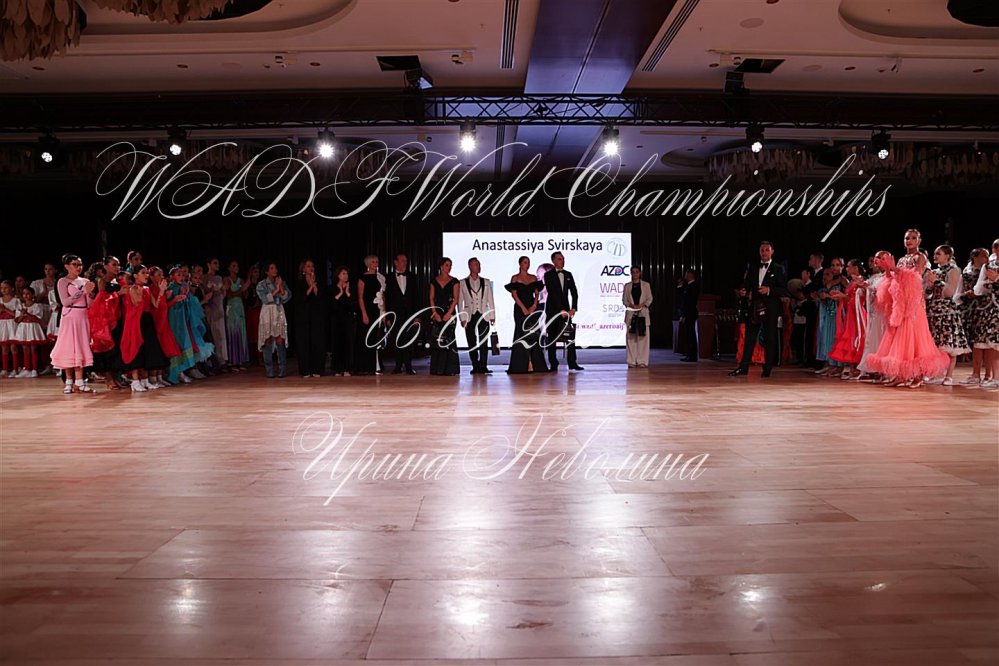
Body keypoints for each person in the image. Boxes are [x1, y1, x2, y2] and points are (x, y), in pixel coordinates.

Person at [865, 229, 949, 388]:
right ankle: (902, 374)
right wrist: (888, 269)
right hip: (900, 303)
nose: (909, 240)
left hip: (914, 303)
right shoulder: (902, 259)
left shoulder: (920, 257)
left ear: (919, 240)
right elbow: (894, 279)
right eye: (907, 238)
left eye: (913, 238)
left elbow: (915, 277)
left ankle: (918, 376)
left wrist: (894, 269)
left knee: (915, 337)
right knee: (899, 338)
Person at [730, 241, 787, 378]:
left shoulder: (778, 268)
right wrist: (743, 291)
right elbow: (747, 284)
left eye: (767, 250)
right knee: (750, 337)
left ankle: (767, 368)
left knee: (770, 337)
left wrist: (769, 290)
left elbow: (783, 289)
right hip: (755, 306)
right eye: (762, 250)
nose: (764, 252)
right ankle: (743, 367)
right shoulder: (753, 267)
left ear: (772, 251)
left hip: (771, 307)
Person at [924, 245, 970, 386]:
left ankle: (949, 376)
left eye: (938, 253)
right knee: (936, 344)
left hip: (947, 311)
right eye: (935, 253)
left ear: (948, 255)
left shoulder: (954, 270)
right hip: (934, 311)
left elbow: (950, 292)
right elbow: (927, 294)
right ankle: (936, 373)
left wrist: (936, 281)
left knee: (949, 344)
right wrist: (930, 286)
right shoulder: (934, 271)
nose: (935, 256)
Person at [49, 254, 96, 393]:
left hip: (83, 316)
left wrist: (90, 294)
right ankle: (69, 382)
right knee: (69, 347)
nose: (78, 267)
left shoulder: (85, 281)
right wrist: (82, 291)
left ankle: (80, 381)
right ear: (67, 266)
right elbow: (65, 302)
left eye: (80, 264)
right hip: (69, 316)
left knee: (81, 347)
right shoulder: (63, 281)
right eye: (75, 264)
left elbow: (89, 304)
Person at [119, 265, 168, 392]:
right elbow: (136, 303)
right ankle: (135, 381)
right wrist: (139, 293)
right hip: (136, 321)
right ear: (135, 275)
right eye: (143, 273)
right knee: (137, 349)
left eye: (147, 273)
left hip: (147, 320)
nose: (146, 275)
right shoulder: (131, 289)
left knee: (147, 350)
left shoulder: (147, 289)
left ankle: (145, 380)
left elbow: (155, 305)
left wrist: (161, 291)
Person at [505, 256, 548, 374]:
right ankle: (521, 365)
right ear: (520, 264)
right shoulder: (515, 278)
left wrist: (534, 306)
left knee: (533, 334)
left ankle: (534, 363)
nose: (527, 264)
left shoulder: (533, 278)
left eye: (528, 262)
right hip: (520, 309)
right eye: (525, 262)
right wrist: (523, 308)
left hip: (532, 308)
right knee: (521, 335)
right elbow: (514, 295)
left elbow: (537, 293)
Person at [543, 251, 583, 371]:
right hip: (553, 310)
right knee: (552, 338)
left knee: (569, 336)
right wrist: (561, 309)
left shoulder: (568, 274)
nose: (562, 261)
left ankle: (572, 362)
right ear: (554, 261)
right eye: (560, 259)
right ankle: (553, 363)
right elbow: (553, 294)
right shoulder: (548, 275)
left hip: (566, 311)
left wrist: (574, 308)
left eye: (563, 259)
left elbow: (574, 292)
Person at [829, 259, 868, 379]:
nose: (847, 268)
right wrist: (840, 296)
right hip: (851, 313)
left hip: (857, 313)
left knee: (856, 337)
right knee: (850, 338)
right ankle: (852, 368)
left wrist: (843, 297)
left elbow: (860, 299)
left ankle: (858, 368)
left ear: (856, 268)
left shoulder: (861, 281)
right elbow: (849, 298)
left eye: (849, 266)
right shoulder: (851, 282)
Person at [383, 253, 420, 375]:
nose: (405, 263)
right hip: (395, 314)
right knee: (396, 339)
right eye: (402, 260)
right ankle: (398, 366)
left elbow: (416, 297)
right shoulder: (388, 278)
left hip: (409, 314)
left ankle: (409, 366)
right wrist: (388, 317)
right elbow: (386, 299)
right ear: (396, 262)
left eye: (406, 261)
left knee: (409, 340)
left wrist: (417, 316)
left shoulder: (412, 276)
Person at [458, 257, 496, 375]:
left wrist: (492, 315)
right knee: (471, 341)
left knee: (484, 341)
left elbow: (490, 299)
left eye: (479, 264)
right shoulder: (462, 282)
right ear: (470, 266)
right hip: (469, 315)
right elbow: (460, 302)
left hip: (483, 314)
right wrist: (462, 318)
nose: (478, 267)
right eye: (476, 265)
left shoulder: (486, 281)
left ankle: (483, 365)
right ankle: (475, 365)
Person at [857, 252, 890, 381]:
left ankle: (883, 369)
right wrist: (863, 287)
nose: (878, 261)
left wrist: (869, 287)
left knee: (882, 339)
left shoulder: (890, 275)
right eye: (877, 258)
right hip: (874, 313)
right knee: (873, 340)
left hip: (884, 313)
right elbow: (868, 291)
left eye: (881, 258)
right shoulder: (875, 277)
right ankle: (873, 368)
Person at [256, 261, 291, 379]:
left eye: (275, 268)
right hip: (267, 312)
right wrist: (276, 289)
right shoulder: (261, 284)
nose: (274, 270)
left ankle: (282, 369)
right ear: (266, 271)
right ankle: (269, 369)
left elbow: (286, 298)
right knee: (267, 339)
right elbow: (265, 299)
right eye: (271, 268)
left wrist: (281, 288)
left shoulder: (281, 282)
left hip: (278, 310)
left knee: (280, 339)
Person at [294, 258, 327, 377]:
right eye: (308, 266)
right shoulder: (299, 282)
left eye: (312, 266)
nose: (311, 268)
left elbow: (320, 298)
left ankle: (317, 369)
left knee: (317, 341)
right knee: (304, 342)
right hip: (303, 316)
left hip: (316, 316)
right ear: (303, 269)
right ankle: (305, 370)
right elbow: (300, 298)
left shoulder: (319, 281)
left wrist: (315, 287)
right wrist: (310, 287)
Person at [428, 258, 461, 376]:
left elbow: (456, 299)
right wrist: (434, 313)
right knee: (437, 338)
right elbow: (431, 298)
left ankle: (450, 369)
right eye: (447, 265)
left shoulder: (455, 281)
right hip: (437, 313)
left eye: (450, 265)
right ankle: (437, 369)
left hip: (449, 313)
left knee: (449, 339)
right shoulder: (434, 281)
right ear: (441, 267)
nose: (449, 267)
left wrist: (449, 313)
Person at [355, 255, 383, 375]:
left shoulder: (379, 277)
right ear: (368, 264)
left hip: (377, 310)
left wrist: (383, 311)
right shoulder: (362, 278)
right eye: (373, 262)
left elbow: (382, 295)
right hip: (366, 310)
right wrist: (364, 314)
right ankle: (362, 367)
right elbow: (360, 297)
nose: (376, 264)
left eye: (376, 262)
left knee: (373, 338)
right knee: (364, 337)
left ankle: (372, 367)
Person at [622, 266, 654, 368]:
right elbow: (624, 300)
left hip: (643, 313)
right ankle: (631, 361)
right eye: (633, 272)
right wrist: (631, 305)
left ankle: (642, 361)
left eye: (637, 272)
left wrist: (642, 305)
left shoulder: (646, 285)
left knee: (643, 338)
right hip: (631, 313)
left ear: (640, 273)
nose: (635, 274)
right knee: (631, 338)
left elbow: (649, 299)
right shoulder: (627, 286)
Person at [222, 260, 250, 370]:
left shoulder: (240, 280)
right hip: (231, 308)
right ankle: (232, 361)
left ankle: (240, 360)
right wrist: (242, 289)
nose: (236, 267)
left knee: (241, 332)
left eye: (237, 266)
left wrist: (245, 289)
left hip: (240, 308)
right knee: (232, 332)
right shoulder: (226, 279)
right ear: (229, 268)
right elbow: (229, 295)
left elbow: (244, 296)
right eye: (234, 266)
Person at [799, 252, 825, 368]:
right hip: (811, 308)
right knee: (809, 333)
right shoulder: (814, 274)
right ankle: (808, 358)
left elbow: (813, 288)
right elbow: (807, 290)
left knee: (815, 333)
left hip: (818, 308)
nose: (809, 261)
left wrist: (808, 284)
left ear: (817, 260)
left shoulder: (822, 274)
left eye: (811, 259)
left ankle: (814, 360)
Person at [13, 287, 46, 378]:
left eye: (28, 293)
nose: (26, 296)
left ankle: (34, 369)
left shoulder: (37, 306)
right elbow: (17, 320)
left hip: (33, 328)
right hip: (23, 328)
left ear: (32, 295)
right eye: (24, 294)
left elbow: (38, 319)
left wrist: (27, 314)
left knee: (33, 348)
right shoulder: (20, 306)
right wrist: (22, 314)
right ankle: (27, 369)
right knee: (25, 349)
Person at [330, 266, 355, 376]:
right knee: (337, 343)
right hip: (336, 320)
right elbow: (332, 305)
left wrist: (347, 292)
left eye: (347, 273)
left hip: (348, 319)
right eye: (343, 273)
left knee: (348, 343)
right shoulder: (332, 288)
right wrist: (340, 292)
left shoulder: (350, 288)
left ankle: (347, 368)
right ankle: (338, 369)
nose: (346, 276)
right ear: (338, 275)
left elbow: (353, 306)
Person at [204, 257, 229, 370]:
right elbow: (205, 292)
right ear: (208, 264)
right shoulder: (205, 277)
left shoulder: (219, 278)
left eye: (218, 263)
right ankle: (212, 361)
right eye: (215, 263)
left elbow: (223, 294)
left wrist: (223, 289)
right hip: (210, 308)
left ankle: (222, 360)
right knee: (213, 334)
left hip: (219, 308)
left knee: (220, 335)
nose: (217, 265)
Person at [0, 280, 22, 377]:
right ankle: (5, 369)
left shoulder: (16, 300)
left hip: (12, 324)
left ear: (12, 288)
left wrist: (5, 309)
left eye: (5, 288)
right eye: (1, 288)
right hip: (2, 324)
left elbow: (17, 315)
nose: (3, 290)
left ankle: (15, 368)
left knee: (13, 347)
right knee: (4, 347)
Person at [676, 268, 697, 362]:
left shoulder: (693, 286)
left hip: (690, 314)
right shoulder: (688, 286)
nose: (685, 277)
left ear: (690, 275)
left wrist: (684, 315)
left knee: (690, 335)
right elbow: (682, 298)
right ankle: (689, 354)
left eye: (686, 274)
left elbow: (689, 303)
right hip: (688, 313)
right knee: (688, 335)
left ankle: (692, 356)